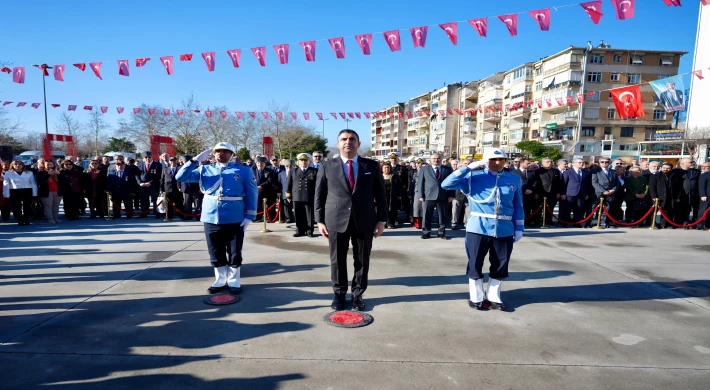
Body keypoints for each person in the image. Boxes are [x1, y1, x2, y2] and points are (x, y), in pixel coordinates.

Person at [442, 148, 524, 311]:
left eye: (501, 159)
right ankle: (476, 296)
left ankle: (494, 296)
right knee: (475, 262)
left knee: (501, 263)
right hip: (478, 227)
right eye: (493, 159)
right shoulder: (473, 176)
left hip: (504, 228)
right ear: (486, 160)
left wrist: (519, 227)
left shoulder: (513, 178)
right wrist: (468, 167)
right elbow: (446, 184)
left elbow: (518, 203)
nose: (498, 162)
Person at [314, 129, 387, 311]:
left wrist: (382, 220)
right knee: (337, 260)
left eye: (352, 139)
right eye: (344, 139)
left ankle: (357, 295)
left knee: (362, 260)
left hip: (365, 220)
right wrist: (319, 220)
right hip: (336, 220)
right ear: (338, 144)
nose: (348, 142)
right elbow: (319, 195)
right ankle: (339, 295)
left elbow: (381, 194)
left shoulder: (370, 166)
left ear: (358, 143)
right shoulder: (327, 165)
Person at [176, 142, 258, 294]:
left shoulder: (243, 171)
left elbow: (252, 193)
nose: (221, 154)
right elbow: (180, 176)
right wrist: (194, 160)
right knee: (215, 250)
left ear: (232, 155)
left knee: (234, 251)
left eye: (226, 151)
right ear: (213, 154)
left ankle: (234, 280)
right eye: (218, 151)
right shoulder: (204, 169)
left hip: (235, 217)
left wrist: (250, 216)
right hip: (210, 216)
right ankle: (220, 279)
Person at [417, 153, 455, 239]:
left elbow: (451, 183)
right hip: (428, 195)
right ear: (430, 160)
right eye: (434, 158)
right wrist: (420, 195)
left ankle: (441, 232)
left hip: (443, 195)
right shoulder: (424, 169)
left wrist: (451, 194)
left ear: (441, 159)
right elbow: (420, 183)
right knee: (427, 215)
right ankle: (426, 232)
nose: (436, 160)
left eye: (438, 158)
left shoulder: (448, 169)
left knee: (442, 216)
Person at [286, 153, 317, 237]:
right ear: (298, 162)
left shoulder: (314, 171)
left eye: (305, 160)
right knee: (298, 215)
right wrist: (288, 195)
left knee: (309, 216)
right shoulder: (293, 171)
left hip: (309, 196)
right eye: (301, 160)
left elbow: (317, 185)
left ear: (309, 161)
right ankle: (300, 230)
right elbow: (289, 183)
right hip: (297, 196)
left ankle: (310, 231)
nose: (303, 162)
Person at [3, 160, 38, 226]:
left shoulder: (29, 173)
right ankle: (20, 219)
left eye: (19, 164)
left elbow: (33, 183)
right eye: (15, 164)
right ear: (12, 166)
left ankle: (26, 218)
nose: (18, 166)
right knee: (16, 206)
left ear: (22, 165)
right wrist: (6, 194)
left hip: (27, 190)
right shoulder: (8, 173)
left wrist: (35, 193)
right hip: (14, 190)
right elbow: (6, 184)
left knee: (27, 206)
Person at [529, 158, 562, 226]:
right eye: (547, 162)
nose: (549, 163)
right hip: (541, 192)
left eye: (551, 162)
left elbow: (559, 182)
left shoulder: (556, 171)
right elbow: (535, 182)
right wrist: (535, 193)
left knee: (550, 208)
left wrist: (558, 192)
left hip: (552, 193)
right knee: (538, 208)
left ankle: (548, 220)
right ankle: (536, 221)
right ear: (543, 163)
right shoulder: (538, 171)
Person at [649, 163, 682, 229]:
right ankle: (653, 224)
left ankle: (665, 224)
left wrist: (678, 197)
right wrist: (654, 196)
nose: (665, 169)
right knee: (654, 211)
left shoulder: (674, 176)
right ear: (661, 168)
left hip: (670, 197)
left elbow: (679, 188)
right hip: (658, 197)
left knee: (668, 211)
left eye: (668, 168)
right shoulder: (655, 176)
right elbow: (652, 187)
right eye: (664, 168)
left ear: (671, 169)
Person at [590, 158, 621, 229]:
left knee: (606, 209)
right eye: (602, 162)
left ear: (609, 163)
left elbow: (617, 183)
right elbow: (594, 182)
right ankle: (589, 222)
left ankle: (602, 223)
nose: (604, 163)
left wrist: (613, 190)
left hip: (610, 193)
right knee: (593, 208)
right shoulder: (595, 171)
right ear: (599, 163)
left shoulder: (613, 171)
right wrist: (603, 190)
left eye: (606, 162)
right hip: (598, 192)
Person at [106, 155, 138, 219]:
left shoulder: (128, 168)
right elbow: (108, 180)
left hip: (126, 189)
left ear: (122, 159)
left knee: (128, 203)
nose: (118, 160)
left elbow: (132, 180)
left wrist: (132, 190)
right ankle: (116, 214)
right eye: (116, 159)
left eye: (120, 159)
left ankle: (129, 214)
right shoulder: (111, 167)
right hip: (115, 189)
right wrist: (108, 189)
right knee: (116, 203)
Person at [560, 158, 590, 226]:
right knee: (568, 208)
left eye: (582, 162)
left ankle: (576, 222)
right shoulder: (568, 172)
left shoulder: (585, 172)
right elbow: (563, 183)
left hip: (581, 193)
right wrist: (563, 193)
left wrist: (586, 194)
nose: (581, 164)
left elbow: (587, 184)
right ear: (573, 163)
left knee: (579, 208)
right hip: (570, 193)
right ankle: (565, 222)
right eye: (579, 162)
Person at [673, 158, 701, 229]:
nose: (692, 163)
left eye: (692, 162)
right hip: (681, 194)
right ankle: (681, 222)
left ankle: (694, 223)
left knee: (694, 209)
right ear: (683, 163)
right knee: (681, 209)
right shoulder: (675, 172)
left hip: (694, 194)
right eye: (690, 162)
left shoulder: (696, 171)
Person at [253, 156, 279, 223]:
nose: (260, 164)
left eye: (261, 163)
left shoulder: (270, 171)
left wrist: (261, 186)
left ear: (265, 164)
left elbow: (270, 180)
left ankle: (269, 217)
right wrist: (256, 187)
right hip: (256, 191)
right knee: (258, 204)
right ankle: (258, 217)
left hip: (267, 191)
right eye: (258, 163)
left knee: (268, 205)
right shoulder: (252, 171)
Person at [138, 151, 163, 219]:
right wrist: (140, 183)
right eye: (146, 157)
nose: (147, 159)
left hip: (153, 185)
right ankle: (144, 213)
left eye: (149, 157)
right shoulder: (140, 165)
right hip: (143, 186)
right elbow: (137, 175)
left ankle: (157, 213)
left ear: (152, 157)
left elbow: (158, 176)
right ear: (143, 158)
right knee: (143, 200)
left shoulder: (157, 165)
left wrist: (150, 183)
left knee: (155, 200)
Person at [179, 155, 203, 220]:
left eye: (187, 161)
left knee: (197, 202)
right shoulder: (181, 168)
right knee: (187, 203)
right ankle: (188, 215)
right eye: (185, 161)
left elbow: (201, 178)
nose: (186, 162)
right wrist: (179, 187)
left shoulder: (197, 167)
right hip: (185, 187)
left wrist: (201, 188)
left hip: (196, 187)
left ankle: (197, 215)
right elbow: (178, 178)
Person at [381, 161, 403, 229]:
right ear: (382, 169)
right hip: (382, 196)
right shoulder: (379, 176)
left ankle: (391, 223)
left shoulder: (394, 176)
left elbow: (400, 186)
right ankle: (383, 223)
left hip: (392, 195)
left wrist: (399, 194)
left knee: (392, 209)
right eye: (385, 168)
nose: (386, 169)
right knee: (383, 209)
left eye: (388, 168)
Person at [389, 152, 410, 223]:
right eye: (392, 159)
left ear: (397, 159)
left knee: (398, 204)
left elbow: (406, 179)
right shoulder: (387, 167)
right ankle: (391, 219)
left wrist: (406, 188)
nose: (393, 160)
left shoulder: (402, 168)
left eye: (395, 159)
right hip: (389, 188)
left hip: (400, 189)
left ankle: (397, 218)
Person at [277, 158, 295, 223]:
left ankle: (295, 217)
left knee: (295, 206)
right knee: (286, 207)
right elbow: (279, 184)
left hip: (294, 192)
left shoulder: (296, 173)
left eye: (290, 166)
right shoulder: (281, 174)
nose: (288, 168)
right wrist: (279, 191)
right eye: (287, 166)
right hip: (284, 192)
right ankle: (288, 218)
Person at [411, 158, 426, 228]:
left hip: (425, 191)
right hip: (416, 191)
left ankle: (424, 223)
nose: (419, 165)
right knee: (416, 207)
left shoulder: (427, 171)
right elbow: (411, 183)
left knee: (424, 207)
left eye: (420, 163)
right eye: (417, 163)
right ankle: (417, 223)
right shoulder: (414, 172)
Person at [697, 162, 710, 230]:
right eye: (703, 166)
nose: (704, 167)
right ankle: (700, 225)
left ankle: (708, 224)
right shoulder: (704, 175)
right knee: (703, 210)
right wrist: (703, 195)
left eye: (706, 166)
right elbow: (701, 186)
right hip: (707, 196)